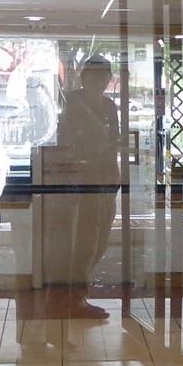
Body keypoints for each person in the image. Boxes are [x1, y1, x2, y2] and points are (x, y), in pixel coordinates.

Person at [47, 55, 121, 316]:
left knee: (99, 243)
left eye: (104, 76)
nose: (100, 81)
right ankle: (72, 298)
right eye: (95, 75)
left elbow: (115, 140)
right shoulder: (71, 103)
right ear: (84, 77)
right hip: (80, 184)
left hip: (105, 182)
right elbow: (62, 141)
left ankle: (75, 294)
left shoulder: (109, 106)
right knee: (83, 243)